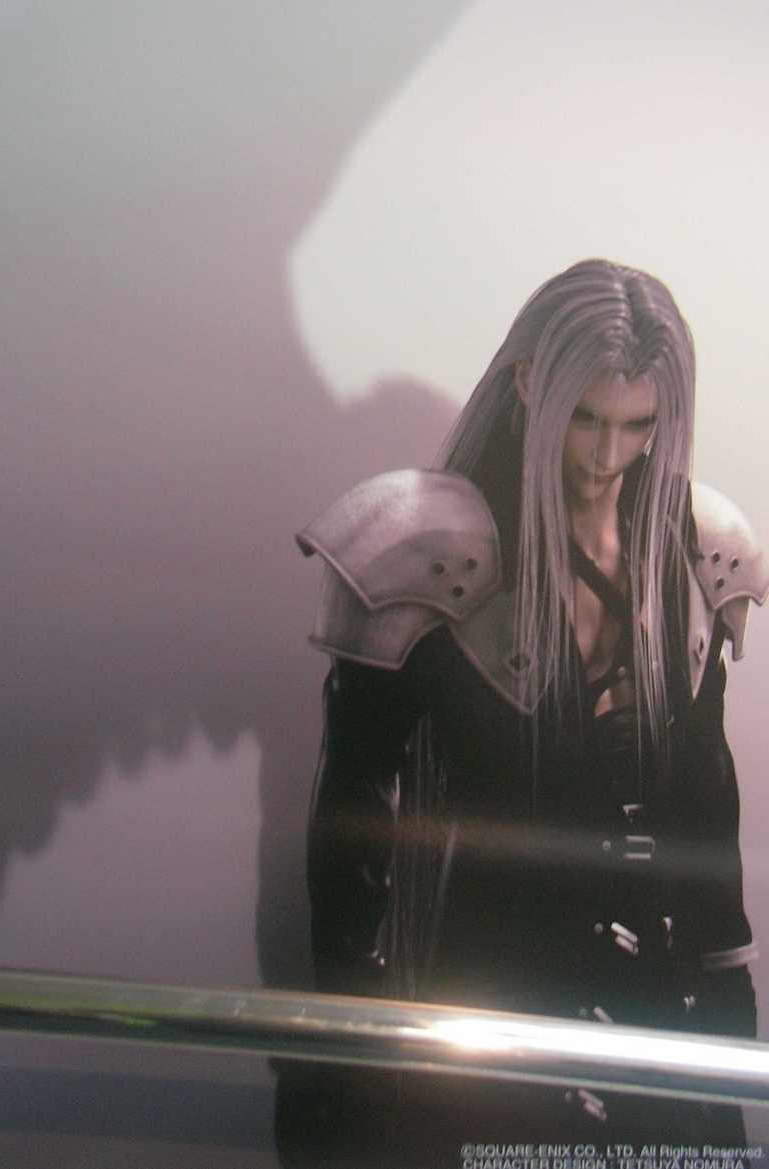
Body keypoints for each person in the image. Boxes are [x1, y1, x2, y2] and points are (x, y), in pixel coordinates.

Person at [286, 260, 768, 1160]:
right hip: (490, 1022)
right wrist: (359, 1053)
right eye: (585, 418)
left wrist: (729, 1041)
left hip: (664, 1025)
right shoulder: (429, 553)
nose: (608, 454)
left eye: (638, 424)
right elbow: (355, 823)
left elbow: (707, 814)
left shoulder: (697, 551)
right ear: (527, 384)